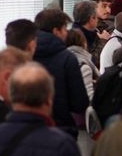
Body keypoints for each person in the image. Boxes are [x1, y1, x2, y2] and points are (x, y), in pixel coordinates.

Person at [33, 7, 90, 139]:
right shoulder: (67, 59)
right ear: (56, 31)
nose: (66, 33)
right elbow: (79, 104)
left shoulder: (22, 55)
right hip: (61, 130)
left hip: (28, 131)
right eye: (64, 29)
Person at [65, 28, 98, 156]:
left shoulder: (65, 60)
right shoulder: (83, 64)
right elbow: (88, 97)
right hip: (83, 126)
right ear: (83, 43)